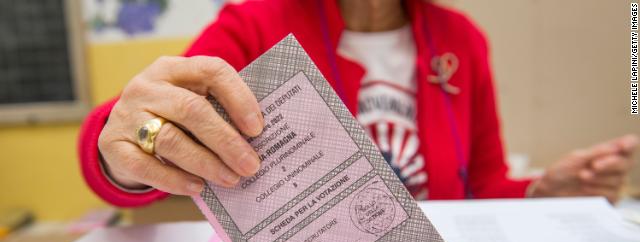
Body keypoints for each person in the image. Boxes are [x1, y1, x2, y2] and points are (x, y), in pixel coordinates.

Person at [79, 0, 638, 207]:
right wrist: (121, 149)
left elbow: (482, 187)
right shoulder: (255, 23)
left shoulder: (461, 38)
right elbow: (132, 134)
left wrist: (542, 191)